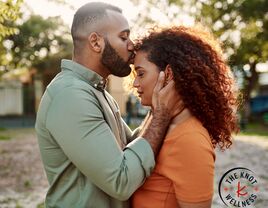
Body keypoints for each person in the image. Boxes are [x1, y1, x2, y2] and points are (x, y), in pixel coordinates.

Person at [35, 2, 181, 208]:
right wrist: (161, 116)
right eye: (124, 37)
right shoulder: (70, 95)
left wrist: (159, 105)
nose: (132, 45)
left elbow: (132, 147)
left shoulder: (95, 91)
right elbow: (121, 181)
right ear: (95, 42)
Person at [131, 26, 239, 208]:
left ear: (169, 74)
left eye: (140, 73)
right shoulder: (161, 127)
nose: (135, 83)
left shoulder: (189, 139)